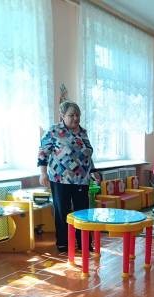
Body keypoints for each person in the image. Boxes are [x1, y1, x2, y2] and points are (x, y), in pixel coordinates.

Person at [38, 101, 100, 253]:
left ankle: (84, 243)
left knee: (83, 211)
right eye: (71, 115)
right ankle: (63, 243)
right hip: (60, 178)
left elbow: (87, 155)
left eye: (77, 115)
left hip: (82, 179)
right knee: (62, 211)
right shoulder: (54, 131)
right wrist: (43, 173)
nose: (75, 118)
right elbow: (43, 153)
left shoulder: (83, 132)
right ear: (62, 116)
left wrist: (93, 171)